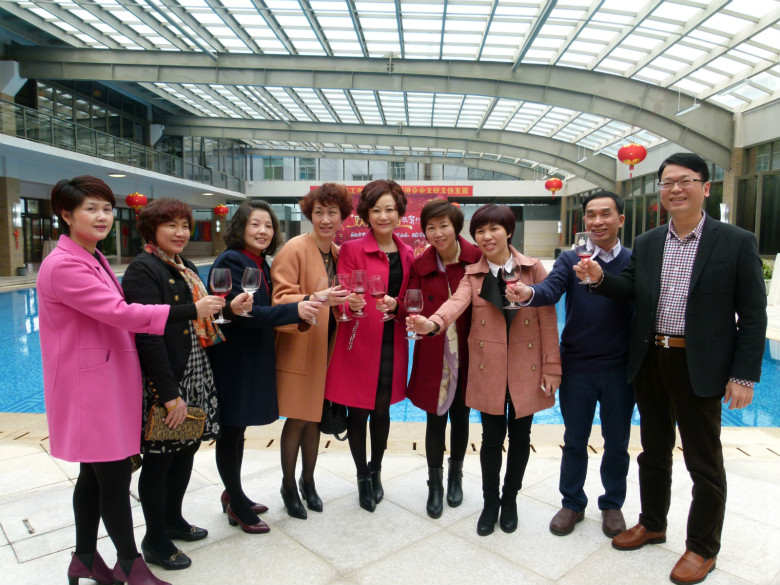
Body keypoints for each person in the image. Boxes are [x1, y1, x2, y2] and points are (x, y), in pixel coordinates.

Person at [575, 153, 767, 585]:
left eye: (685, 181)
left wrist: (743, 376)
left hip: (699, 364)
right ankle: (653, 523)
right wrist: (599, 278)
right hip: (651, 359)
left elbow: (753, 315)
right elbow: (630, 288)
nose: (675, 189)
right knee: (653, 451)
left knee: (704, 461)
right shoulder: (648, 242)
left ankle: (702, 546)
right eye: (667, 183)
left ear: (706, 187)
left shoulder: (736, 242)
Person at [37, 177, 225, 585]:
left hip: (105, 382)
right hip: (89, 389)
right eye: (90, 208)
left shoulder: (92, 256)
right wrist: (190, 310)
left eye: (106, 208)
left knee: (94, 476)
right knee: (114, 477)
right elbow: (120, 313)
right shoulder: (65, 265)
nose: (102, 216)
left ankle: (85, 558)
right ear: (67, 215)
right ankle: (129, 564)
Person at [408, 204, 561, 536]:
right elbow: (455, 304)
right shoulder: (473, 274)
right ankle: (491, 503)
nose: (487, 236)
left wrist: (552, 368)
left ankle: (510, 499)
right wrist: (432, 324)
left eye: (494, 229)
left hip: (525, 369)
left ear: (509, 232)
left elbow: (548, 321)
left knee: (520, 438)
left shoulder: (532, 269)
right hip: (489, 369)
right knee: (491, 439)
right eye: (480, 231)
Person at [122, 198, 250, 571]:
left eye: (184, 225)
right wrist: (168, 395)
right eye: (171, 226)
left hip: (194, 370)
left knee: (186, 450)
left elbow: (201, 315)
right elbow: (147, 334)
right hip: (168, 378)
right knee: (160, 458)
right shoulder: (143, 269)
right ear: (152, 229)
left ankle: (173, 519)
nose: (180, 233)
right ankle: (155, 539)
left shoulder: (185, 266)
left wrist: (229, 309)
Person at [507, 191, 634, 538]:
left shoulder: (634, 261)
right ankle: (572, 502)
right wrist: (529, 293)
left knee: (617, 441)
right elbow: (551, 289)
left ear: (620, 220)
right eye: (591, 215)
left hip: (620, 368)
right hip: (577, 366)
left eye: (606, 214)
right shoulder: (571, 259)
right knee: (575, 439)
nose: (597, 221)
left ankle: (612, 504)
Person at [207, 200, 319, 533]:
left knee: (238, 430)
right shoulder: (231, 260)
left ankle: (234, 493)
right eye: (255, 224)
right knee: (231, 430)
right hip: (233, 359)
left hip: (251, 356)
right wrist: (296, 310)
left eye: (268, 225)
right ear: (240, 227)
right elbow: (243, 313)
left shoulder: (259, 262)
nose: (263, 231)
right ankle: (237, 504)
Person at [323, 179, 415, 512]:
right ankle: (362, 476)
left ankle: (376, 470)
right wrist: (350, 303)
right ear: (366, 214)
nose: (383, 216)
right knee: (359, 411)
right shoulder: (352, 249)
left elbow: (409, 299)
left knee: (382, 410)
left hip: (392, 341)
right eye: (376, 210)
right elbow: (343, 295)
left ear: (399, 213)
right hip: (359, 342)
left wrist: (398, 306)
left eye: (390, 209)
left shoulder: (407, 253)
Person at [271, 183, 352, 518]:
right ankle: (288, 485)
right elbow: (279, 299)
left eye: (333, 212)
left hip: (327, 348)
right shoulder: (295, 249)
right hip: (300, 345)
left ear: (343, 217)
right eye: (319, 212)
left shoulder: (339, 254)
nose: (326, 219)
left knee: (315, 418)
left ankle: (308, 480)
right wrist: (315, 298)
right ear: (309, 215)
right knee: (298, 417)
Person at [406, 199, 481, 519]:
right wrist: (400, 309)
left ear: (456, 227)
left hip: (467, 349)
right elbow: (409, 301)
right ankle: (434, 484)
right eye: (431, 227)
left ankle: (455, 477)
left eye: (443, 226)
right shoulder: (420, 265)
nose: (437, 233)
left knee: (461, 416)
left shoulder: (476, 258)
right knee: (435, 418)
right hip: (434, 350)